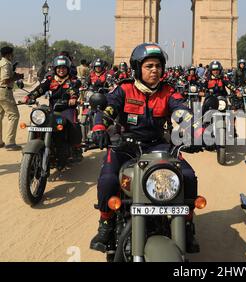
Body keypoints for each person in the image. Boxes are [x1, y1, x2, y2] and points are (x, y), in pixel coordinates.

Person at [89, 42, 202, 254]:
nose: (154, 70)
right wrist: (98, 128)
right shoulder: (124, 89)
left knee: (187, 176)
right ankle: (106, 223)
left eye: (158, 66)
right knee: (108, 179)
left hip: (158, 146)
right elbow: (107, 111)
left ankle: (186, 223)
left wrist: (198, 131)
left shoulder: (168, 92)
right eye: (149, 65)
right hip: (125, 145)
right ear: (137, 68)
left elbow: (183, 112)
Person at [21, 55, 83, 161]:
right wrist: (29, 96)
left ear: (67, 69)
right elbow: (40, 89)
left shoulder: (72, 81)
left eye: (63, 68)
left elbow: (74, 91)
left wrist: (73, 99)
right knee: (39, 122)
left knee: (73, 125)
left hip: (67, 108)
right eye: (59, 68)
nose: (61, 70)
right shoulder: (50, 80)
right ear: (55, 69)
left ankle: (76, 148)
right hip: (53, 109)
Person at [0, 46, 24, 150]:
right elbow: (5, 79)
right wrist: (17, 77)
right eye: (12, 54)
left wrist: (15, 74)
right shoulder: (6, 63)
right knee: (14, 115)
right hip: (5, 91)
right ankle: (10, 143)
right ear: (9, 54)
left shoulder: (1, 62)